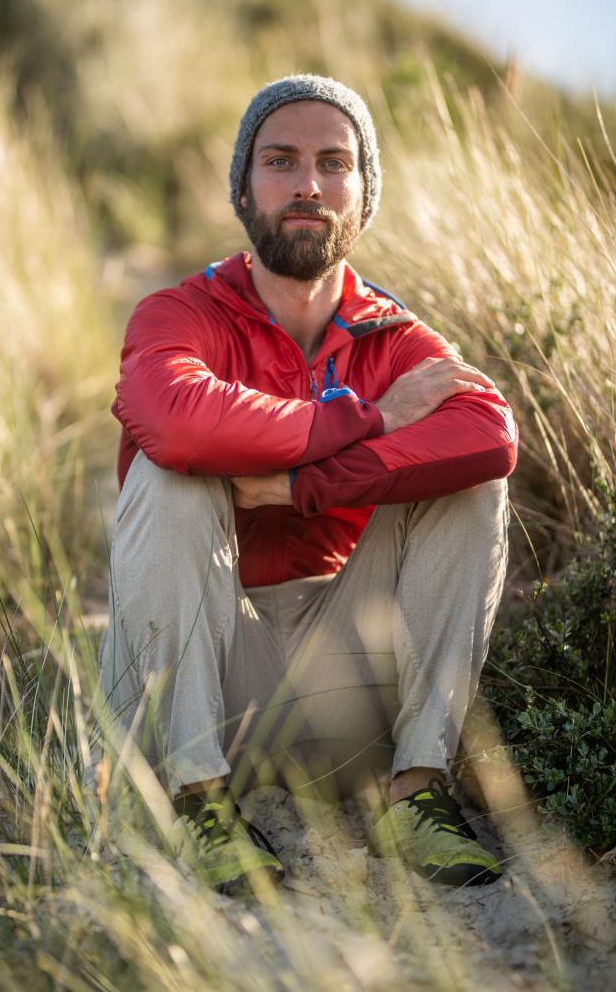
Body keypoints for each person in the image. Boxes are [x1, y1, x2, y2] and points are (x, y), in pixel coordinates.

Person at [98, 74, 517, 893]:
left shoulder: (397, 336)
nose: (308, 185)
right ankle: (198, 800)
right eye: (281, 160)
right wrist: (365, 418)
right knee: (170, 474)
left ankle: (417, 789)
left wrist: (299, 489)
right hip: (206, 681)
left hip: (345, 689)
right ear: (243, 188)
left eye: (335, 162)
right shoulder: (177, 315)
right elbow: (178, 419)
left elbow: (490, 434)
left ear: (363, 194)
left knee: (472, 487)